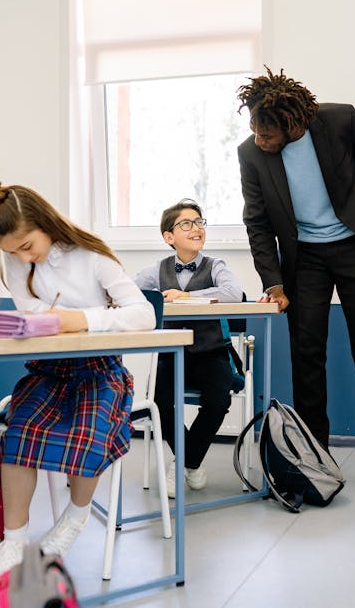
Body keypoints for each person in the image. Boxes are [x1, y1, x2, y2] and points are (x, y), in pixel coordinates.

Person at [236, 67, 355, 493]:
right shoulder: (251, 153)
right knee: (307, 355)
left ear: (293, 123)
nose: (261, 141)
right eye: (256, 131)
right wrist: (273, 282)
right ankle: (315, 456)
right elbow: (257, 222)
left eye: (269, 134)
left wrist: (351, 199)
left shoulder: (339, 120)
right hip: (305, 259)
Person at [0, 174, 156, 586]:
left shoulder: (92, 256)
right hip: (49, 369)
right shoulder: (15, 259)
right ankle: (14, 541)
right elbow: (31, 309)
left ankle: (74, 521)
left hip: (100, 370)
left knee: (88, 430)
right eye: (10, 252)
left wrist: (80, 319)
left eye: (27, 247)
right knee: (21, 430)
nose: (22, 258)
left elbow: (143, 315)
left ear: (45, 223)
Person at [134, 199, 244, 498]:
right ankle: (190, 463)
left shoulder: (215, 265)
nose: (196, 228)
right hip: (172, 353)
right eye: (186, 224)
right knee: (159, 403)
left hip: (211, 351)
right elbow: (132, 292)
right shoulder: (158, 269)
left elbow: (233, 293)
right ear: (169, 237)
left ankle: (183, 462)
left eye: (199, 222)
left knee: (218, 402)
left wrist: (184, 296)